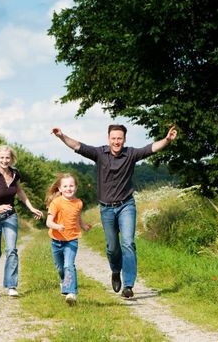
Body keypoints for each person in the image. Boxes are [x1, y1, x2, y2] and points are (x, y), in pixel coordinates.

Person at [52, 124, 177, 298]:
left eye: (119, 138)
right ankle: (115, 270)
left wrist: (167, 140)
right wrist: (61, 136)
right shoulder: (99, 154)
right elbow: (77, 146)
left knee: (128, 243)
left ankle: (128, 285)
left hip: (126, 205)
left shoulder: (131, 154)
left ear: (124, 140)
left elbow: (151, 148)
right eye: (113, 138)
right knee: (112, 248)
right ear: (108, 139)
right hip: (106, 209)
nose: (116, 141)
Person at [0, 145, 44, 297]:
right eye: (2, 158)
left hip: (10, 217)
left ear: (12, 159)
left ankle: (11, 286)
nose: (5, 160)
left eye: (8, 158)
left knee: (11, 250)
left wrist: (31, 207)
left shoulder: (14, 174)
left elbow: (19, 191)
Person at [45, 173, 91, 305]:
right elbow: (48, 222)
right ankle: (64, 282)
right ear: (59, 189)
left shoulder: (78, 203)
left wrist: (84, 226)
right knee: (60, 268)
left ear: (76, 188)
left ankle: (71, 293)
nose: (68, 188)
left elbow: (77, 217)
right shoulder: (56, 202)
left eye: (71, 186)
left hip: (72, 240)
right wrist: (57, 226)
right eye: (65, 186)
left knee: (68, 265)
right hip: (56, 240)